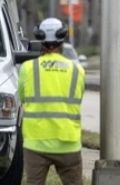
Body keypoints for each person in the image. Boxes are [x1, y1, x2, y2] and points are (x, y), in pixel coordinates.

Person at [19, 18, 85, 185]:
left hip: (36, 143)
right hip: (68, 143)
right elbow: (78, 97)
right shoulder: (77, 70)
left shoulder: (28, 68)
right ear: (62, 40)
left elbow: (21, 97)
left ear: (40, 40)